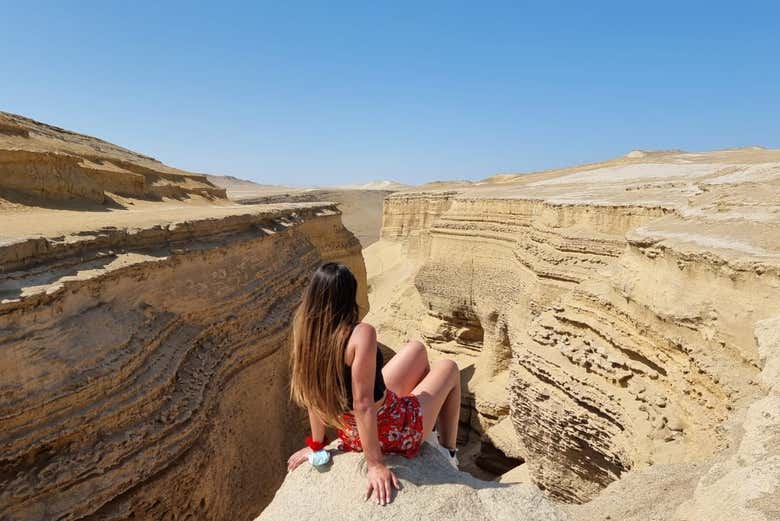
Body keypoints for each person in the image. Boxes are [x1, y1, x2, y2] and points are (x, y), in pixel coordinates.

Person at [286, 261, 461, 505]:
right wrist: (375, 464)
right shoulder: (361, 333)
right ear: (349, 295)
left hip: (351, 432)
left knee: (417, 350)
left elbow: (312, 393)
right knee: (450, 369)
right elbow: (363, 404)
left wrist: (316, 446)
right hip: (393, 430)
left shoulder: (306, 334)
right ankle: (448, 452)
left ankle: (428, 424)